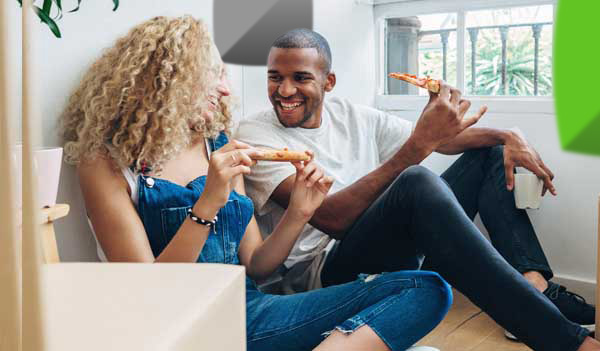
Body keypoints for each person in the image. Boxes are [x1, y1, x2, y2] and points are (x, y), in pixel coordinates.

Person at [60, 16, 453, 351]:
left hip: (251, 310)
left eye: (223, 75)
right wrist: (208, 202)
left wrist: (300, 211)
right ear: (169, 82)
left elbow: (258, 266)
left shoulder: (217, 143)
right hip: (183, 326)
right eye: (211, 76)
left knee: (427, 288)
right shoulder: (104, 163)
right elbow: (152, 292)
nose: (226, 89)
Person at [234, 28, 599, 351]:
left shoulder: (353, 115)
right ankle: (570, 343)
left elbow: (442, 141)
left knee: (489, 152)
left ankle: (533, 284)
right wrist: (417, 147)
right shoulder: (255, 135)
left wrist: (509, 136)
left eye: (300, 78)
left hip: (387, 244)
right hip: (325, 272)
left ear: (328, 82)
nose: (284, 90)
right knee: (416, 182)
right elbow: (331, 219)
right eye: (274, 78)